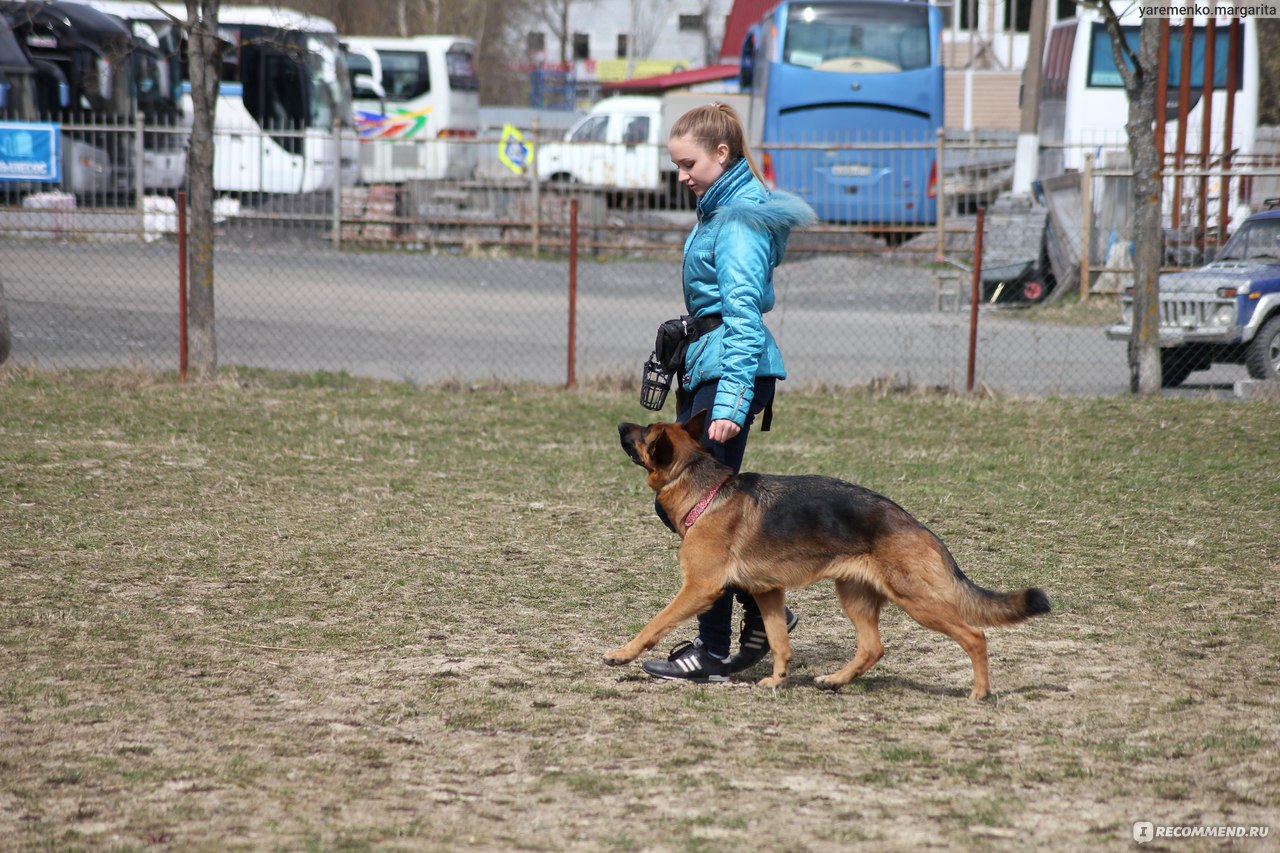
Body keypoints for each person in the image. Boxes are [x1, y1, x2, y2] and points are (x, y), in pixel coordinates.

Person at [641, 103, 816, 683]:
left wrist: (733, 403)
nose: (682, 175)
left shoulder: (737, 221)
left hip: (730, 373)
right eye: (676, 166)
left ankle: (713, 651)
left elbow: (742, 317)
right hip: (711, 365)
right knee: (693, 510)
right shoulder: (720, 209)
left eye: (688, 163)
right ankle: (760, 608)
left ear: (722, 154)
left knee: (703, 515)